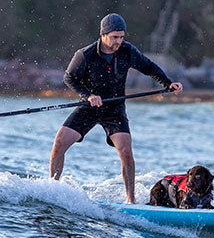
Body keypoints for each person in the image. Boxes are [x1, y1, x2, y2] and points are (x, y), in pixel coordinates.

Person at [49, 13, 183, 203]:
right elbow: (69, 78)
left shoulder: (128, 51)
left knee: (126, 152)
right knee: (59, 143)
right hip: (88, 107)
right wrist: (89, 96)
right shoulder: (85, 55)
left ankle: (131, 200)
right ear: (103, 35)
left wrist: (168, 83)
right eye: (115, 37)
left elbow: (149, 67)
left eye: (121, 37)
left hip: (114, 109)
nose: (119, 41)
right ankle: (53, 189)